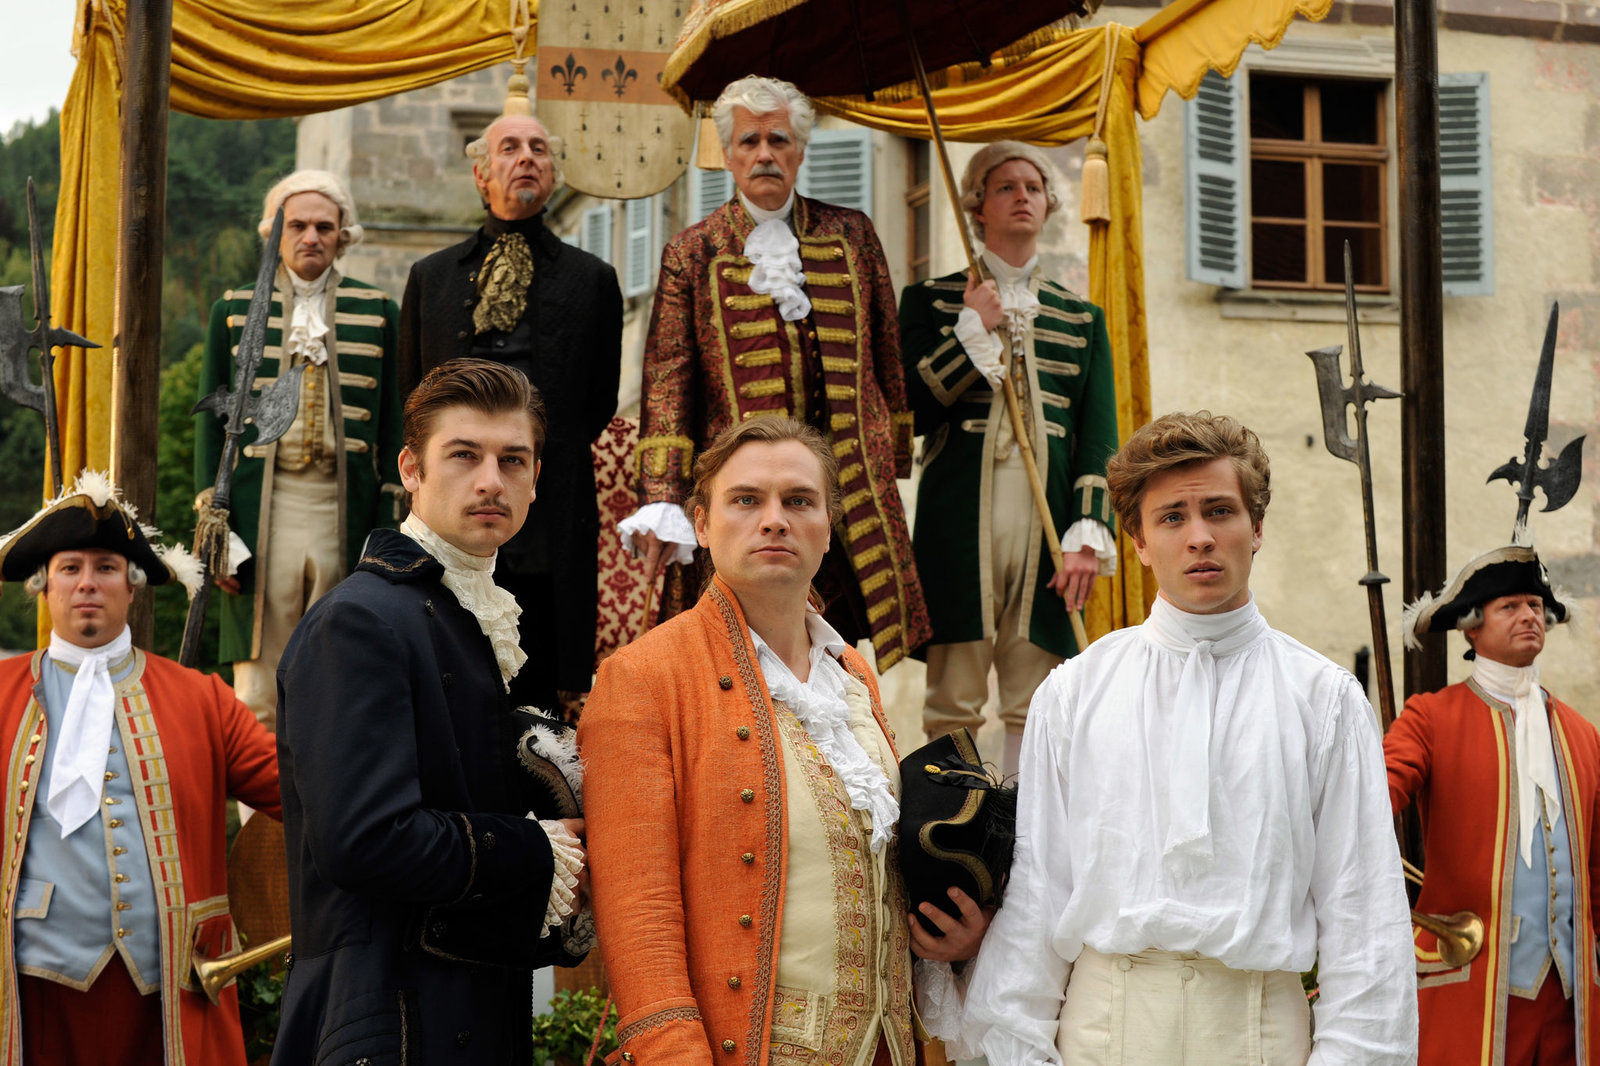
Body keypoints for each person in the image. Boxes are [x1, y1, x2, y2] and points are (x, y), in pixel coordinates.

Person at [953, 411, 1416, 1064]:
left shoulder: (1325, 699)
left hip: (1263, 1036)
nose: (1199, 537)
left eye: (1220, 511)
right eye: (1172, 517)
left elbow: (1363, 917)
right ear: (1140, 542)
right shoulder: (1075, 692)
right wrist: (1019, 1050)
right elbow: (1037, 895)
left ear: (1257, 529)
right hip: (1099, 1035)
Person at [581, 417, 986, 1066]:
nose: (774, 520)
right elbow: (639, 918)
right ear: (703, 524)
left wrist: (950, 937)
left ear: (828, 527)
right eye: (746, 500)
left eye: (799, 501)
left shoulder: (853, 675)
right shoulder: (643, 678)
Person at [272, 360, 590, 1064]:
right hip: (384, 1022)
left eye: (513, 460)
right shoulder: (359, 621)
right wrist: (539, 847)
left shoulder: (480, 615)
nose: (491, 481)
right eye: (464, 456)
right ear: (411, 470)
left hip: (468, 1015)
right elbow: (365, 841)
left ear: (536, 479)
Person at [622, 75, 929, 671]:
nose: (764, 153)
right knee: (740, 649)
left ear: (800, 150)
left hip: (845, 491)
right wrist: (662, 495)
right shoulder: (694, 251)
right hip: (746, 496)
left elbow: (886, 353)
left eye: (778, 140)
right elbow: (666, 380)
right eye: (750, 141)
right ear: (728, 154)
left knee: (840, 652)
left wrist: (889, 457)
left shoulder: (853, 234)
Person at [0, 471, 281, 1065]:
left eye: (106, 568)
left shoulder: (203, 699)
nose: (87, 583)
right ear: (43, 587)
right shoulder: (0, 692)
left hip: (169, 992)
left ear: (132, 588)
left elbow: (305, 789)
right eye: (69, 568)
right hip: (32, 988)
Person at [898, 141, 1119, 770]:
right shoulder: (930, 301)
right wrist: (970, 329)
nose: (1022, 196)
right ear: (976, 206)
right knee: (954, 693)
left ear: (1048, 205)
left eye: (1033, 187)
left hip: (1047, 517)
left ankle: (1026, 818)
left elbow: (1099, 435)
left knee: (1037, 696)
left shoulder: (1081, 318)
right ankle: (952, 813)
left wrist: (1086, 533)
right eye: (1005, 187)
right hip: (957, 517)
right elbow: (908, 412)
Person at [398, 110, 622, 711]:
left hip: (552, 509)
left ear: (553, 173)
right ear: (482, 173)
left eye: (539, 149)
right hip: (450, 505)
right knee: (440, 668)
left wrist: (528, 463)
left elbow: (597, 402)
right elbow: (410, 397)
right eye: (510, 148)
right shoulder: (431, 277)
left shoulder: (593, 280)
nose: (526, 157)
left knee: (539, 690)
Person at [194, 169, 404, 731]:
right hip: (261, 513)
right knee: (257, 691)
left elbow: (394, 429)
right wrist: (215, 530)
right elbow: (209, 428)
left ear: (343, 235)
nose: (311, 237)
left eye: (324, 227)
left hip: (344, 513)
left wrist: (389, 530)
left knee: (339, 674)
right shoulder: (234, 310)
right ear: (275, 233)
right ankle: (261, 791)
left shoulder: (379, 311)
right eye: (297, 225)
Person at [1386, 544, 1598, 1064]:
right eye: (1510, 606)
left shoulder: (1583, 734)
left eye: (1535, 605)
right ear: (1471, 627)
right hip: (1472, 986)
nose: (1529, 616)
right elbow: (1370, 796)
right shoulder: (1431, 718)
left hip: (1571, 1004)